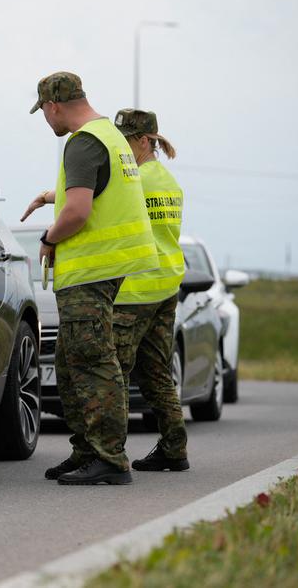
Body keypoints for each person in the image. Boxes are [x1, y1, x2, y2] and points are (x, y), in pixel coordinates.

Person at [23, 71, 158, 485]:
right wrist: (52, 198)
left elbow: (78, 212)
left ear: (54, 105)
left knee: (93, 362)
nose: (47, 121)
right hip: (105, 267)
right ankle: (85, 451)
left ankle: (109, 458)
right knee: (69, 362)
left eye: (44, 112)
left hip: (90, 270)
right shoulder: (111, 136)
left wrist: (48, 238)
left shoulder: (82, 143)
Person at [111, 109, 189, 471]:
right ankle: (174, 447)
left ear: (144, 141)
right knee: (156, 371)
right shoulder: (168, 181)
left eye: (126, 140)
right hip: (165, 286)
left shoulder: (134, 181)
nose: (121, 147)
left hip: (135, 289)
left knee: (114, 372)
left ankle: (109, 455)